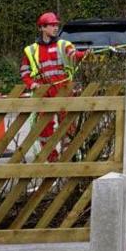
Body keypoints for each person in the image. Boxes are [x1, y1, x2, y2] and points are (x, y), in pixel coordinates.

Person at [20, 12, 78, 157]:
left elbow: (74, 55)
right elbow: (24, 72)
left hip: (63, 89)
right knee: (45, 128)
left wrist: (85, 54)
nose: (55, 27)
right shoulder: (31, 50)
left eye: (56, 25)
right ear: (42, 28)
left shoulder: (63, 44)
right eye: (52, 25)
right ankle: (52, 159)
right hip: (43, 92)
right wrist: (31, 84)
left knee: (68, 124)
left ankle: (68, 158)